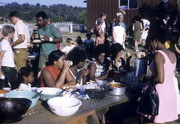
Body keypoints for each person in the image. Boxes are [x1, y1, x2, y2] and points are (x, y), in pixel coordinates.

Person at [138, 28, 179, 123]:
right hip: (170, 93)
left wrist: (146, 78)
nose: (150, 45)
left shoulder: (159, 55)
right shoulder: (172, 54)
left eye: (150, 42)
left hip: (159, 94)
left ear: (156, 41)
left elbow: (160, 79)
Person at [0, 25, 18, 90]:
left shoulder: (5, 42)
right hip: (8, 66)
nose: (14, 35)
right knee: (14, 83)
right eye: (13, 33)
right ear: (9, 34)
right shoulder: (5, 43)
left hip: (8, 65)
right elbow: (1, 55)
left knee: (6, 83)